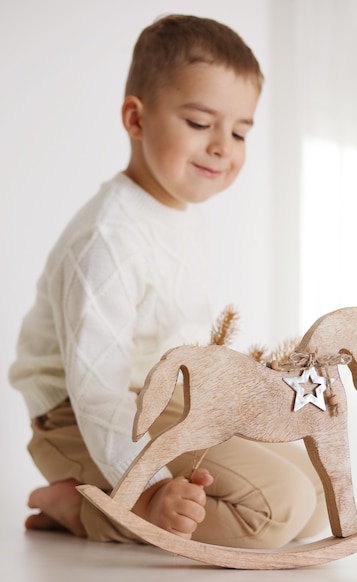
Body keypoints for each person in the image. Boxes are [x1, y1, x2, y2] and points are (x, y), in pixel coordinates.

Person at [9, 14, 328, 549]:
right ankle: (81, 507)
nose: (224, 146)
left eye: (241, 131)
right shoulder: (108, 238)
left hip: (161, 405)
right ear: (136, 118)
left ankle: (106, 500)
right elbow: (97, 396)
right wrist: (151, 491)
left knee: (317, 495)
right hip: (79, 415)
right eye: (201, 124)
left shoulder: (179, 215)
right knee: (278, 511)